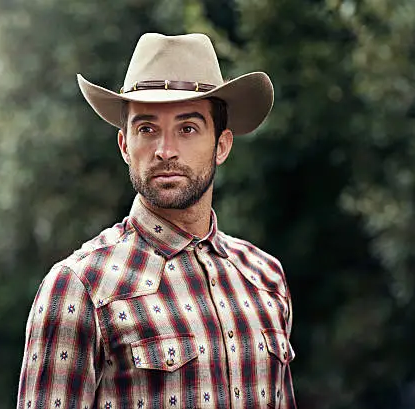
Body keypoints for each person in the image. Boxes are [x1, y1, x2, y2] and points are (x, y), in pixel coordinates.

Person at [16, 33, 296, 409]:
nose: (166, 150)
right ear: (125, 146)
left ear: (222, 145)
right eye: (147, 129)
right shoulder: (79, 287)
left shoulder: (265, 279)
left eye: (188, 128)